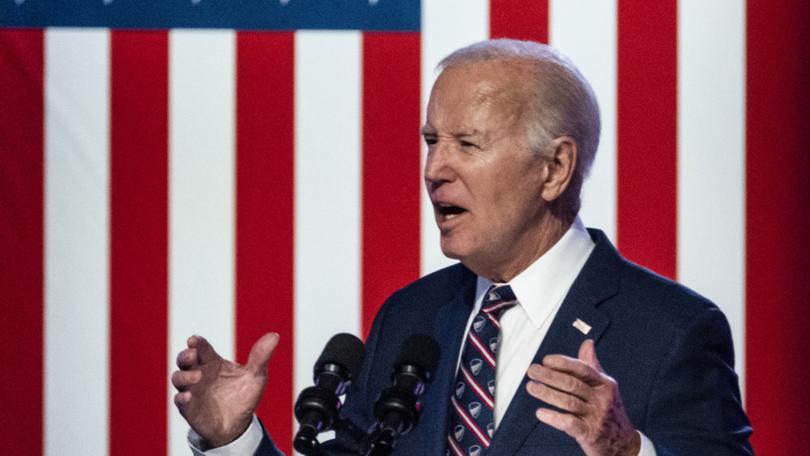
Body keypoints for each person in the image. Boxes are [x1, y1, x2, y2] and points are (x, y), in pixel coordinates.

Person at [172, 39, 753, 455]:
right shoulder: (412, 316)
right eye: (431, 140)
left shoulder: (671, 330)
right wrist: (234, 441)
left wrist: (628, 453)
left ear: (555, 168)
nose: (434, 168)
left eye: (467, 144)